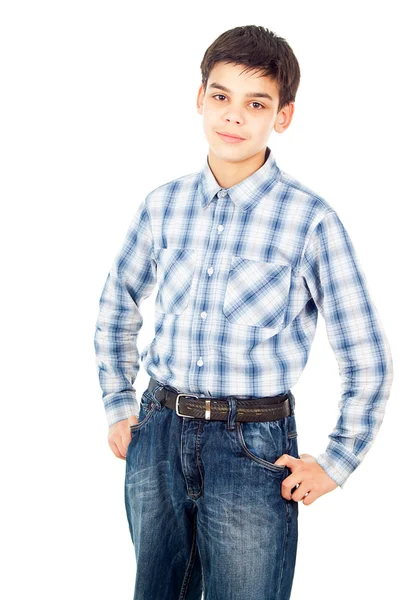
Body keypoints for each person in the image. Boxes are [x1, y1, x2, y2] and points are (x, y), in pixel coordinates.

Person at [93, 24, 393, 600]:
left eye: (256, 103)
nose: (234, 116)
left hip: (252, 448)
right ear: (199, 98)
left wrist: (338, 460)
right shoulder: (163, 205)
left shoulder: (310, 220)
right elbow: (116, 304)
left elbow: (366, 354)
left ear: (282, 116)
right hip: (157, 436)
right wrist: (116, 403)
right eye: (221, 96)